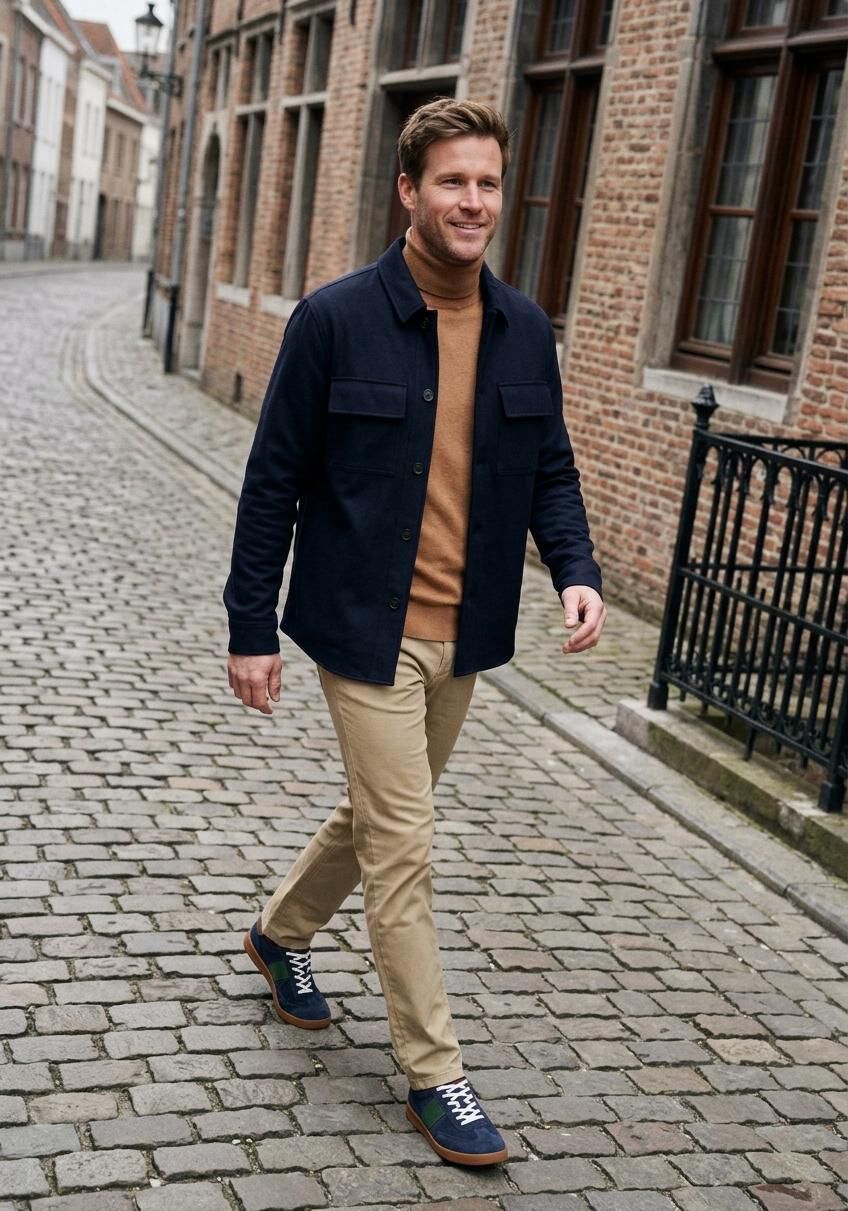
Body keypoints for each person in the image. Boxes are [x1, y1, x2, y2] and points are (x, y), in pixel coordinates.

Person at [224, 97, 605, 1167]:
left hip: (464, 632)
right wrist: (250, 625)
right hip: (363, 629)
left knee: (377, 812)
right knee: (405, 844)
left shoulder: (523, 329)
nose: (472, 201)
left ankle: (278, 933)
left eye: (487, 183)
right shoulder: (334, 320)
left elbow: (552, 469)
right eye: (451, 182)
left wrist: (576, 570)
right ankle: (436, 1073)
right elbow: (272, 482)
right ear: (408, 190)